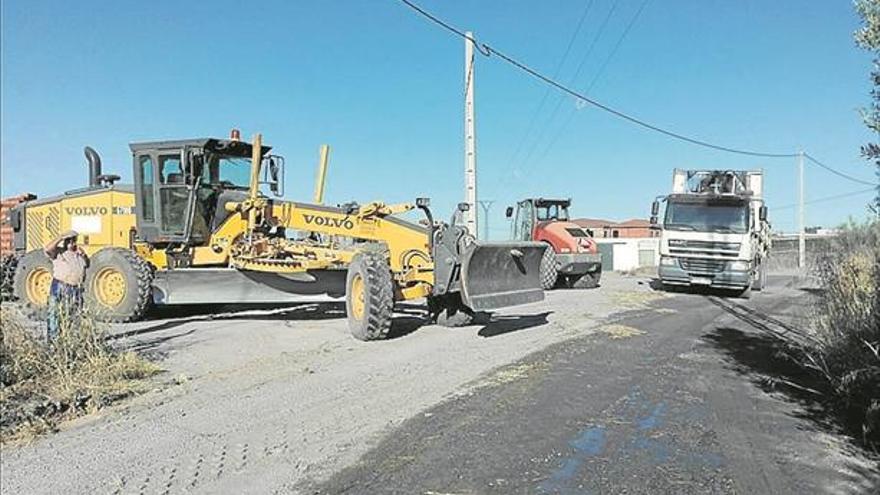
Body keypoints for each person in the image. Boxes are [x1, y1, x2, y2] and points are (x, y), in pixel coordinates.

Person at [43, 230, 89, 341]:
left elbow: (87, 264)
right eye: (69, 240)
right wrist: (61, 237)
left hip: (76, 289)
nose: (72, 243)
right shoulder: (59, 253)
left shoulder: (78, 255)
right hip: (60, 286)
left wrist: (83, 255)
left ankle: (70, 340)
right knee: (55, 315)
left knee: (73, 316)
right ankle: (54, 342)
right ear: (65, 242)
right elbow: (47, 249)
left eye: (74, 240)